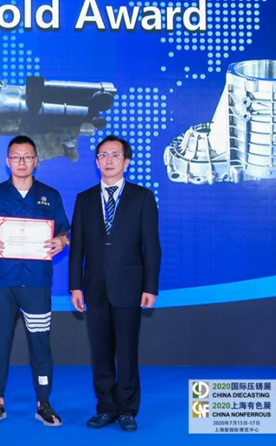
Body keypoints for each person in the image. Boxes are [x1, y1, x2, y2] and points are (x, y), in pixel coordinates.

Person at [0, 135, 70, 427]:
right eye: (16, 157)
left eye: (27, 156)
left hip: (37, 283)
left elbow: (65, 231)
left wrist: (62, 241)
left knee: (40, 345)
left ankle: (44, 403)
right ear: (7, 161)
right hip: (2, 282)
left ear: (36, 161)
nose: (21, 162)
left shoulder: (50, 195)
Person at [68, 135, 161, 432]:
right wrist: (75, 286)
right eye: (103, 155)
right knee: (101, 352)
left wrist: (150, 287)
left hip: (130, 286)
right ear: (96, 162)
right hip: (94, 287)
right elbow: (77, 247)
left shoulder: (142, 197)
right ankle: (106, 407)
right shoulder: (84, 199)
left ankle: (127, 410)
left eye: (115, 155)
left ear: (126, 161)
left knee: (127, 351)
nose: (108, 160)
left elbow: (152, 246)